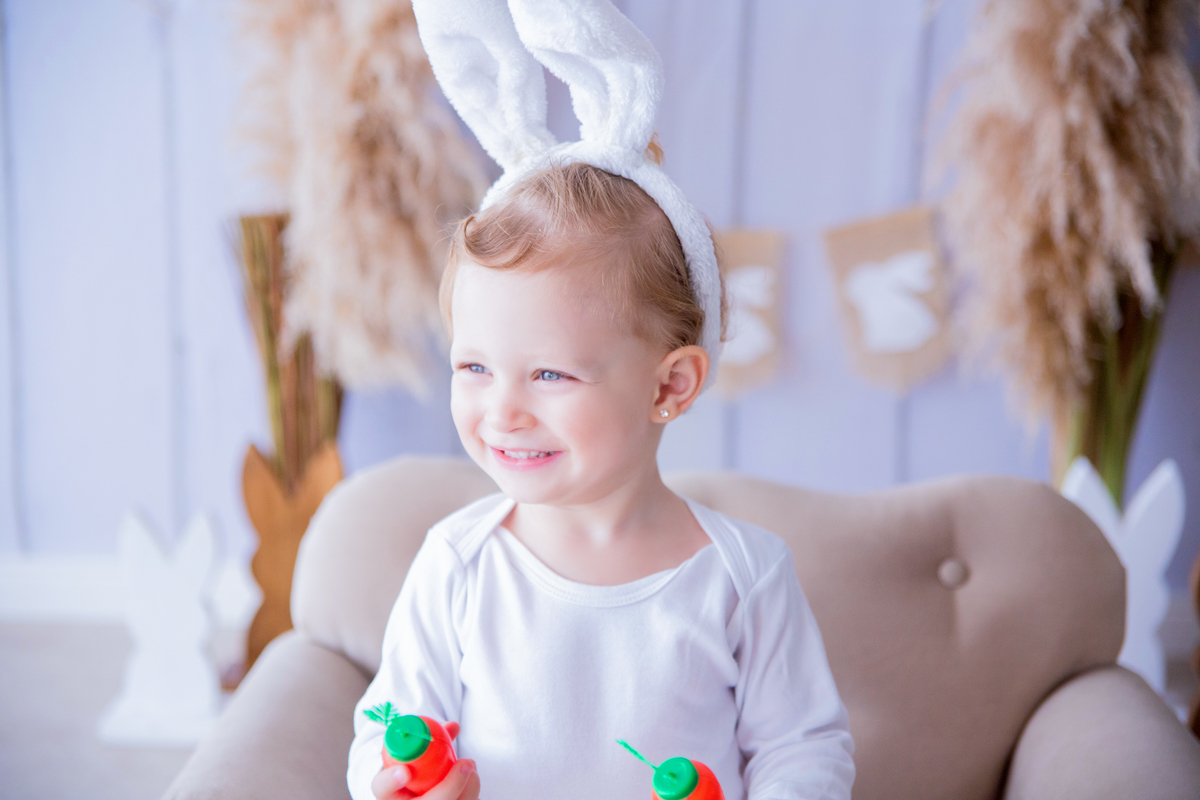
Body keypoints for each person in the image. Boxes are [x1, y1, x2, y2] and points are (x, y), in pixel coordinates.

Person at [345, 160, 855, 800]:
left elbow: (802, 748)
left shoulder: (743, 577)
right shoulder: (457, 565)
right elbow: (387, 722)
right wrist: (394, 783)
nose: (502, 412)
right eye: (474, 367)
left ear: (668, 386)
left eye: (550, 375)